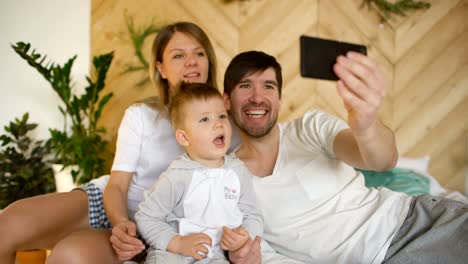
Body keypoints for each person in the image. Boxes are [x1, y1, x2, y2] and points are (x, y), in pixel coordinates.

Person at [0, 21, 221, 263]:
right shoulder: (141, 115)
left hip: (154, 229)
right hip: (111, 206)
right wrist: (120, 223)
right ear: (162, 68)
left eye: (199, 53)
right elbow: (116, 186)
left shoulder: (224, 124)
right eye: (178, 55)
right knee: (7, 225)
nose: (192, 61)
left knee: (69, 255)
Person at [223, 51, 468, 264]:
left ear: (279, 99)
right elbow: (260, 254)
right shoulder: (227, 180)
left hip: (414, 224)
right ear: (226, 100)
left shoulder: (309, 127)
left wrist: (367, 123)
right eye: (245, 86)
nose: (257, 96)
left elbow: (382, 161)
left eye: (268, 86)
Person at [135, 82, 263, 263]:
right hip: (174, 252)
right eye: (205, 119)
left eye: (222, 116)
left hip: (214, 255)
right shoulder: (177, 176)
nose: (218, 124)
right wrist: (177, 243)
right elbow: (147, 217)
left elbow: (253, 215)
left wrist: (245, 235)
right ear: (184, 137)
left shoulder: (237, 172)